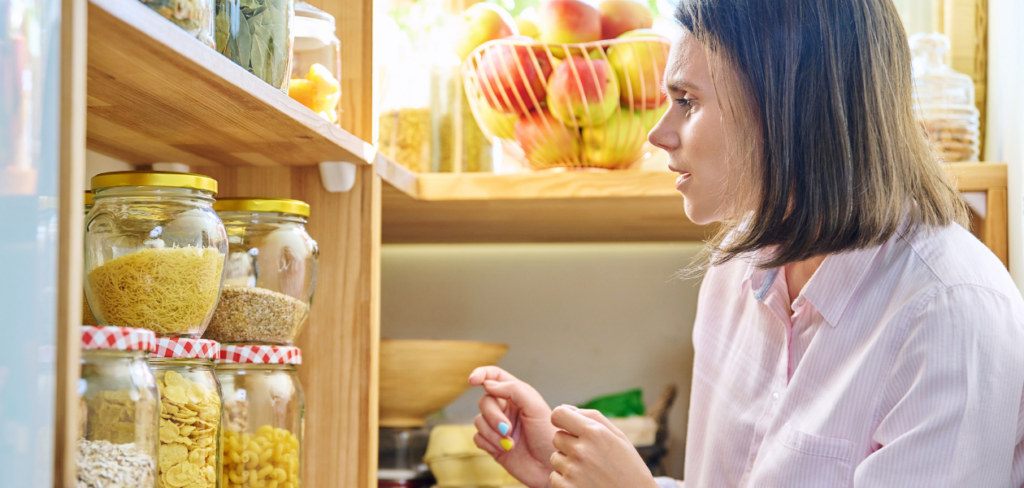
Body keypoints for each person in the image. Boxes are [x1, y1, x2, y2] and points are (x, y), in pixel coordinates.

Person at [468, 0, 1024, 486]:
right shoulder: (734, 275)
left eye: (686, 101)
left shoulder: (951, 313)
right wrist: (567, 472)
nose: (657, 134)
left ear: (789, 107)